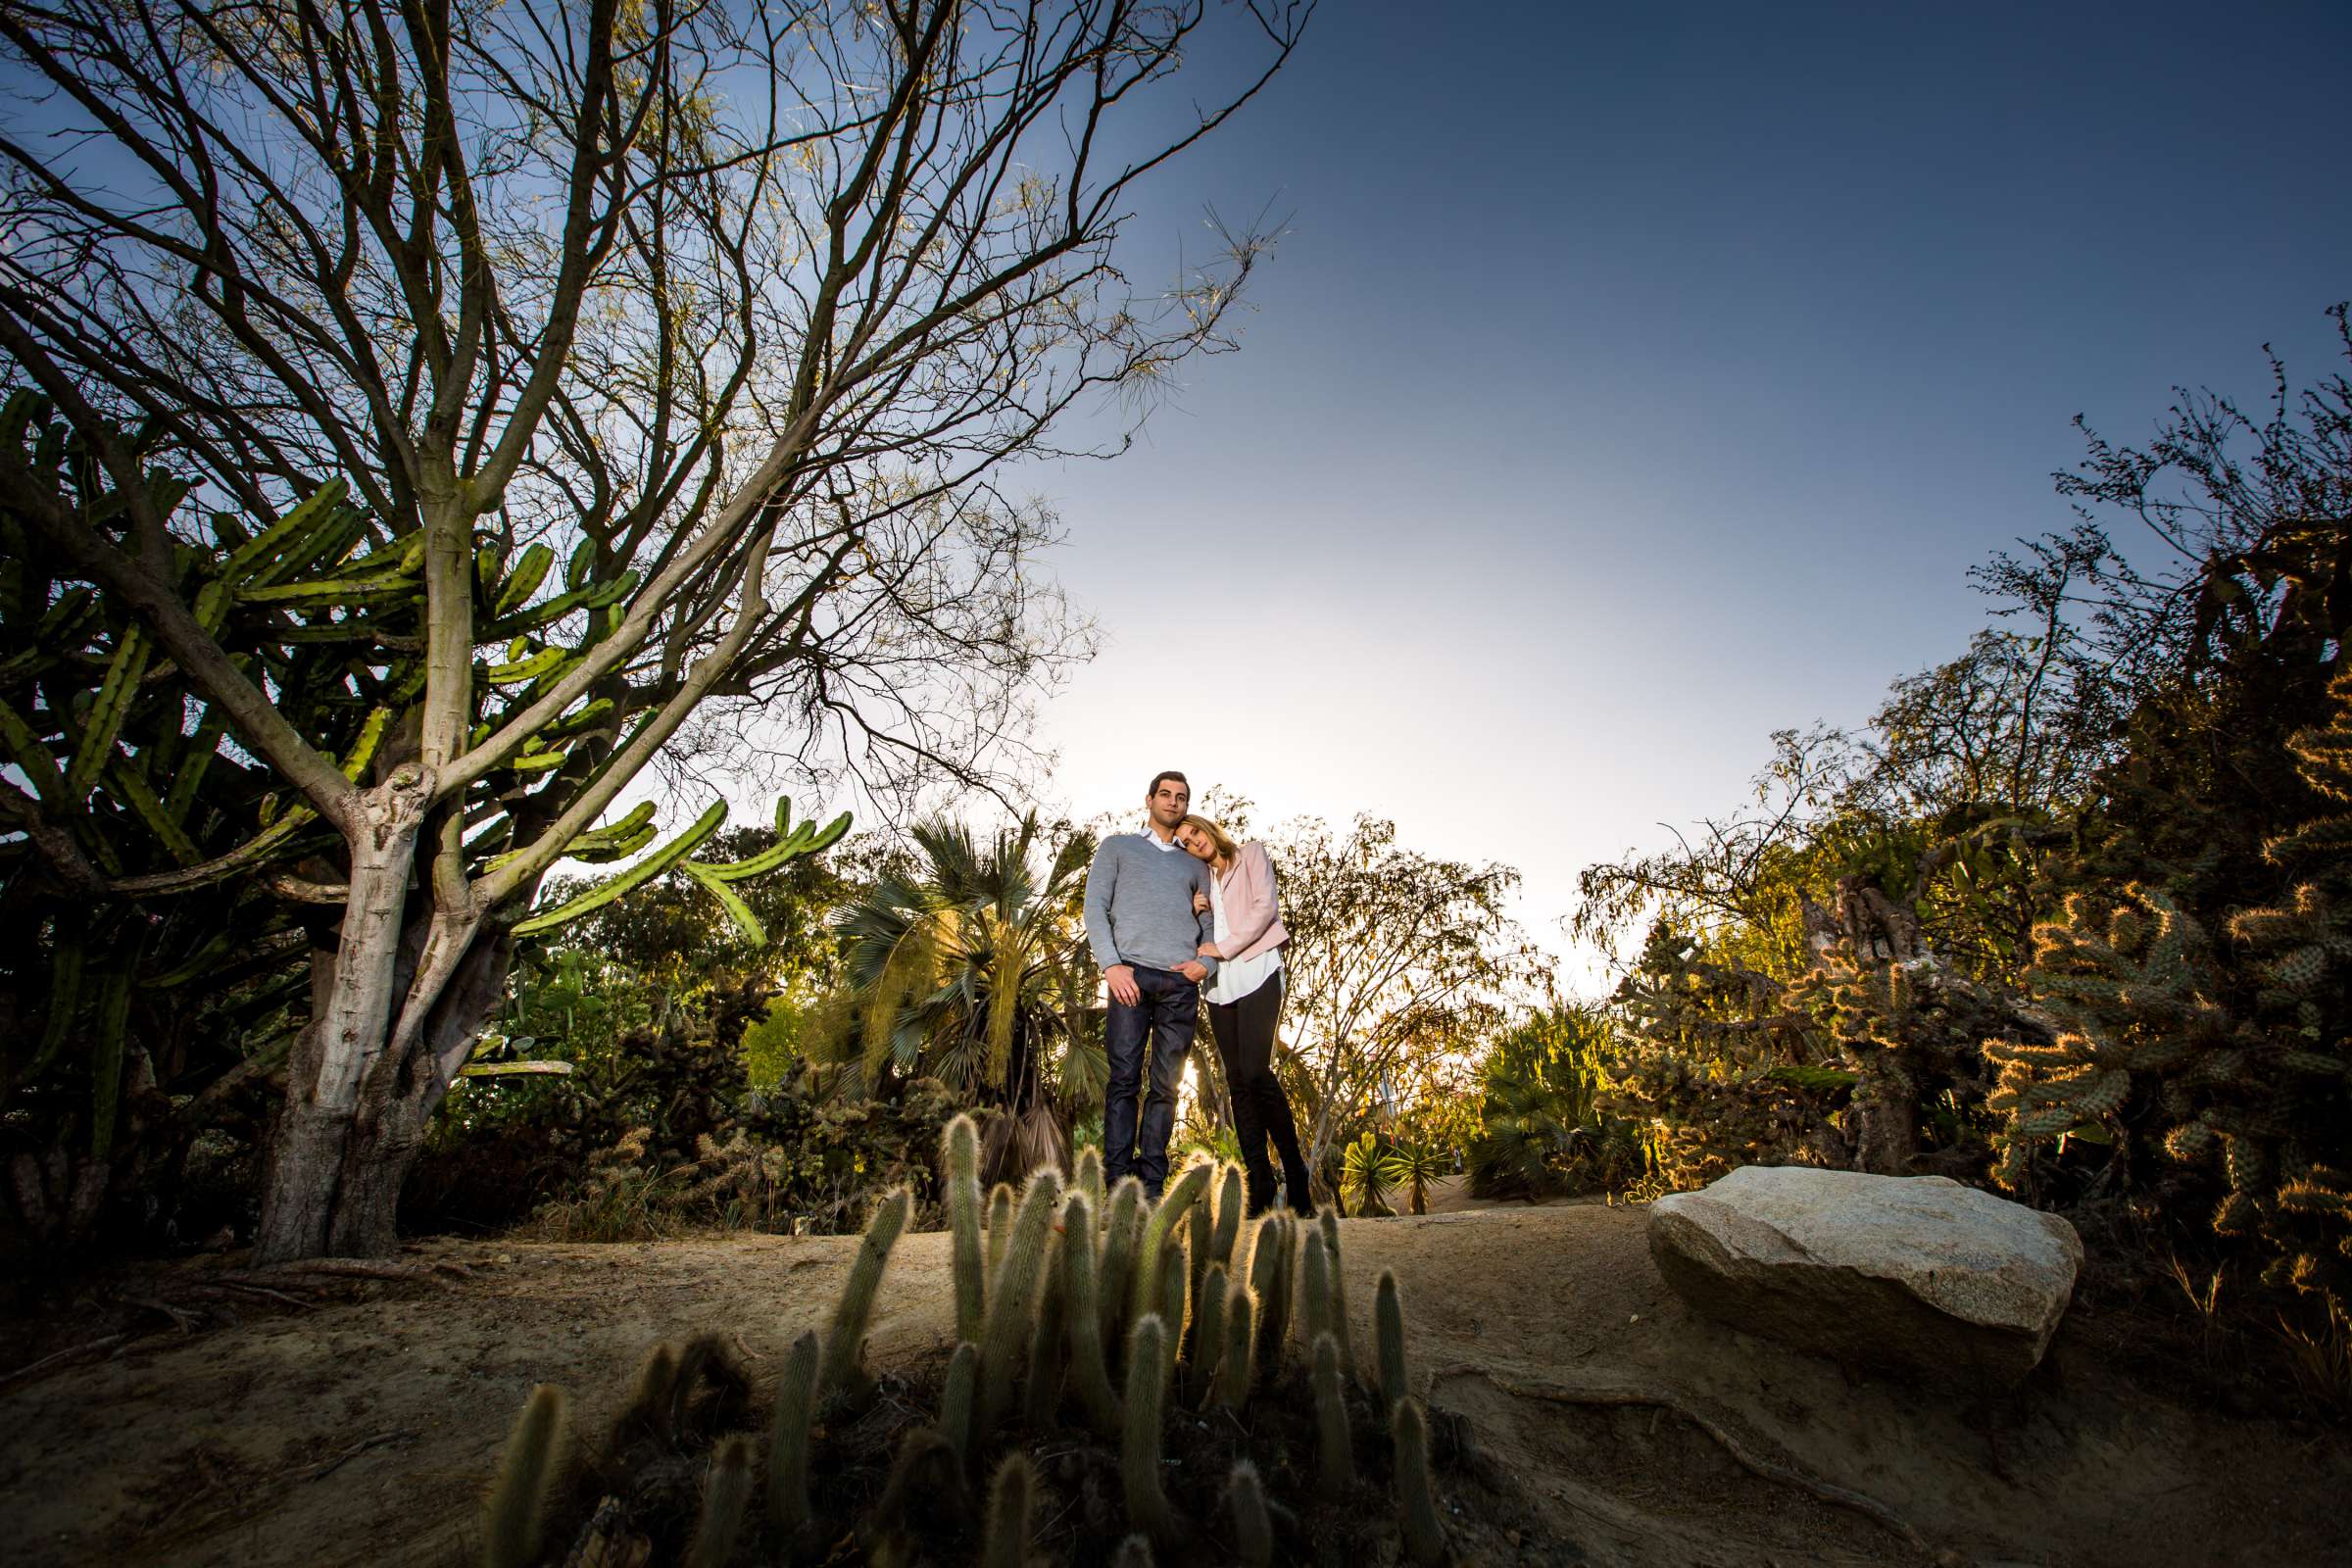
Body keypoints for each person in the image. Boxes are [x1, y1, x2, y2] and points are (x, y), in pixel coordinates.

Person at [1082, 770, 1216, 1200]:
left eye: (1182, 797)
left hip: (1180, 983)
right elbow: (1094, 908)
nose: (1174, 802)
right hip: (1130, 977)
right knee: (1123, 1080)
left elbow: (1209, 920)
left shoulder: (1195, 862)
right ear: (1149, 799)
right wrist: (1111, 966)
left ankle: (1153, 1186)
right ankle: (1118, 1186)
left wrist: (1204, 964)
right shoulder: (1118, 847)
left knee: (1166, 1086)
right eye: (1166, 794)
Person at [1175, 812, 1311, 1217]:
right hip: (1221, 985)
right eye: (1184, 842)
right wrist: (1198, 910)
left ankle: (1296, 1173)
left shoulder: (1250, 854)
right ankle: (1260, 1184)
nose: (1192, 842)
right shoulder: (1202, 882)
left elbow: (1264, 908)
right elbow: (1203, 934)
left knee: (1255, 1071)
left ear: (1207, 828)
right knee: (1236, 1082)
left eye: (1194, 832)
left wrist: (1225, 946)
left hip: (1258, 968)